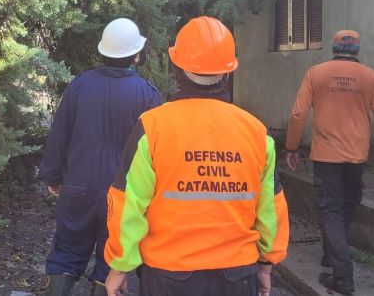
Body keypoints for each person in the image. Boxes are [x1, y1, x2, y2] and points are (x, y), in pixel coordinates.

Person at [104, 16, 289, 296]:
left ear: (177, 66)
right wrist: (265, 265)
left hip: (169, 275)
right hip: (238, 275)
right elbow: (271, 209)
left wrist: (120, 267)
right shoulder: (256, 132)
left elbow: (127, 203)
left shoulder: (152, 127)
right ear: (228, 72)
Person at [38, 18, 162, 296]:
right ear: (137, 54)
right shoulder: (148, 96)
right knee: (112, 259)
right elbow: (157, 154)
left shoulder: (80, 86)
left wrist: (53, 175)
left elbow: (60, 134)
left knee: (66, 253)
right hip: (123, 196)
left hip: (78, 187)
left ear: (103, 51)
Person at [284, 29, 374, 295]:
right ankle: (332, 256)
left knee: (331, 209)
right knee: (346, 205)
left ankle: (343, 277)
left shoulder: (316, 74)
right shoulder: (371, 77)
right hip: (357, 156)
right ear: (357, 50)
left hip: (326, 156)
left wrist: (291, 147)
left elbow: (298, 113)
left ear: (334, 48)